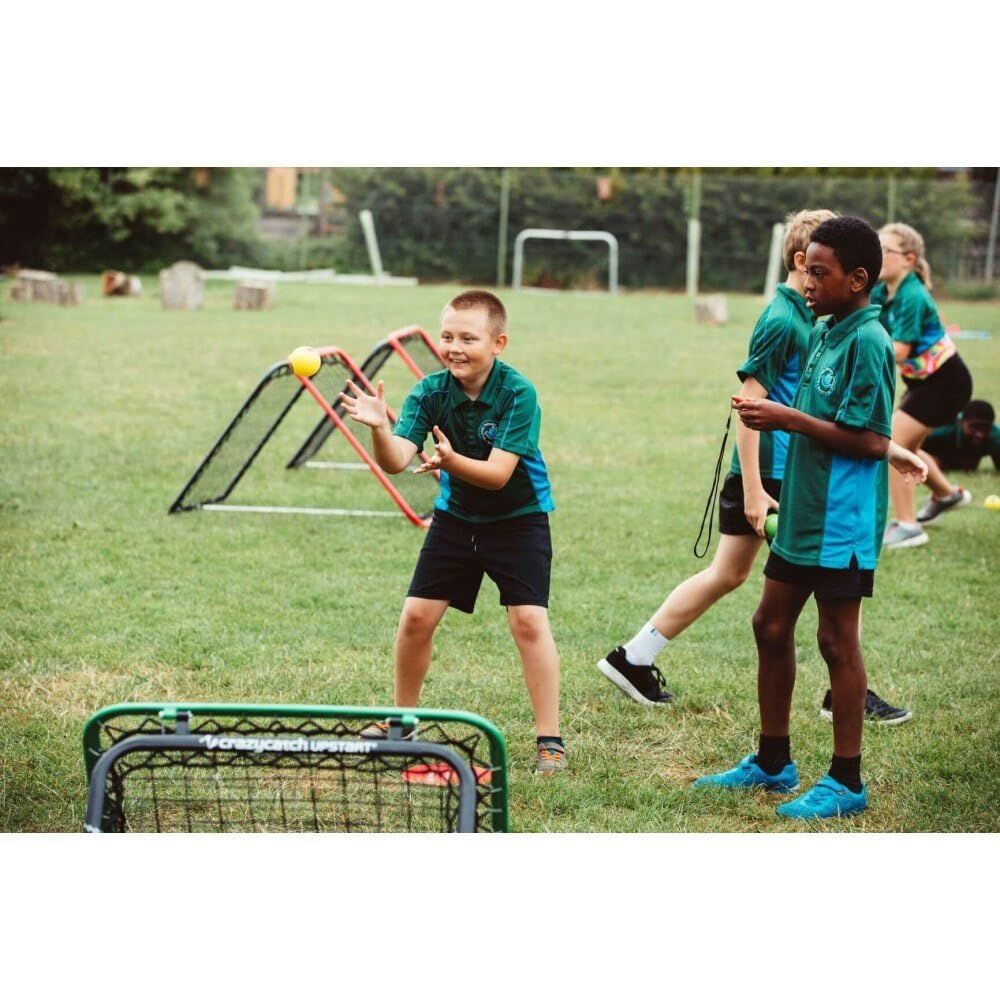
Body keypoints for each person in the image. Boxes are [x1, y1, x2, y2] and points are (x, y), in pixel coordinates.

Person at [596, 209, 916, 725]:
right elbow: (749, 403)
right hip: (774, 476)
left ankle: (634, 656)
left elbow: (838, 416)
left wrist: (891, 450)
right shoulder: (785, 320)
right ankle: (844, 692)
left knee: (737, 576)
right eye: (814, 268)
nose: (815, 281)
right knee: (807, 589)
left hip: (797, 470)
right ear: (803, 260)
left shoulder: (822, 324)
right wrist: (751, 487)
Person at [694, 216, 899, 820]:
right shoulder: (826, 329)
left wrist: (786, 418)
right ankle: (773, 760)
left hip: (841, 520)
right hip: (803, 512)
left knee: (836, 640)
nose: (806, 281)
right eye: (806, 269)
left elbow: (870, 441)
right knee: (770, 623)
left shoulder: (869, 341)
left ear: (857, 279)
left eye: (819, 272)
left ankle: (846, 781)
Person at [338, 290, 565, 775]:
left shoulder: (518, 394)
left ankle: (550, 740)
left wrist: (451, 461)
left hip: (519, 519)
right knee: (416, 617)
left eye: (468, 338)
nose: (454, 347)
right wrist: (379, 428)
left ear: (498, 343)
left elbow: (498, 475)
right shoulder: (429, 392)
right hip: (457, 519)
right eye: (446, 337)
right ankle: (403, 722)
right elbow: (397, 460)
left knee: (528, 622)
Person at [874, 223, 973, 549]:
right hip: (923, 383)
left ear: (909, 258)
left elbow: (900, 351)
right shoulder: (882, 291)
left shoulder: (912, 295)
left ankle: (908, 526)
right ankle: (946, 495)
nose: (878, 255)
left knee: (892, 444)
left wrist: (859, 354)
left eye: (886, 250)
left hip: (947, 383)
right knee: (909, 448)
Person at [916, 400, 1000, 524]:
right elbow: (909, 445)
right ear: (961, 422)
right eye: (974, 427)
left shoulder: (995, 437)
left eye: (985, 428)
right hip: (938, 458)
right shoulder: (940, 430)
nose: (979, 434)